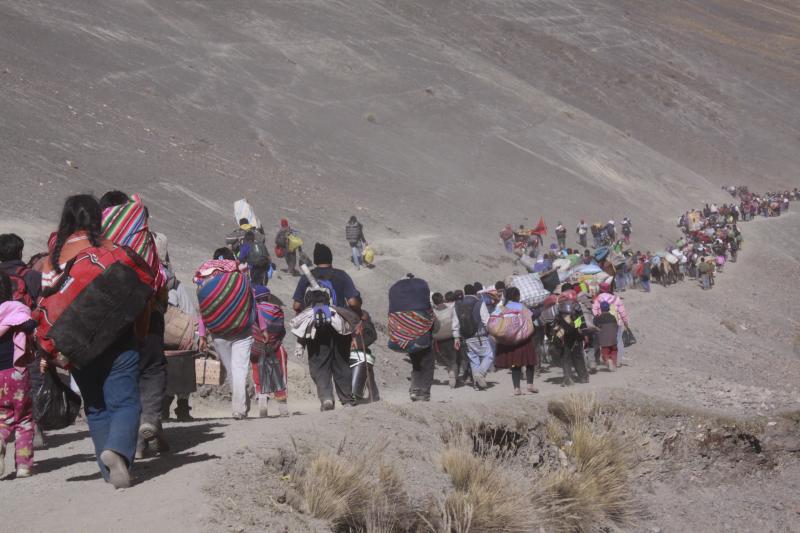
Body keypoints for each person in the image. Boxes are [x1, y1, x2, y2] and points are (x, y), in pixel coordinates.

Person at [39, 195, 144, 489]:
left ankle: (108, 470)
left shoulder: (51, 261)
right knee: (124, 402)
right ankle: (118, 452)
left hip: (76, 348)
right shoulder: (108, 250)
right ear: (98, 219)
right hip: (117, 340)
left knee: (96, 407)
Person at [99, 190, 169, 458]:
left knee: (123, 375)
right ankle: (150, 418)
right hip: (147, 310)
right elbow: (160, 276)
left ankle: (134, 444)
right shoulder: (143, 238)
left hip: (107, 318)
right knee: (151, 368)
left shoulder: (97, 240)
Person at [291, 243, 360, 410]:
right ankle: (347, 399)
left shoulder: (306, 277)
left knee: (319, 363)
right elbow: (352, 301)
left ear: (315, 260)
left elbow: (295, 305)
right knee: (341, 362)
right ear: (331, 259)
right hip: (339, 326)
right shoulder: (341, 275)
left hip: (315, 326)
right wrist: (356, 314)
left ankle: (327, 398)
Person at [196, 248, 255, 419]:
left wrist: (202, 335)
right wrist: (261, 327)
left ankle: (241, 405)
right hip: (242, 331)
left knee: (232, 370)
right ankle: (239, 408)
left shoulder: (207, 280)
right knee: (240, 369)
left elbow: (203, 311)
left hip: (218, 332)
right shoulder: (241, 278)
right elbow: (252, 304)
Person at [0, 233, 46, 449]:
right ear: (20, 251)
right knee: (33, 382)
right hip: (26, 340)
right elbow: (43, 306)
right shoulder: (31, 276)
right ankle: (32, 427)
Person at [0, 272, 36, 478]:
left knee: (2, 417)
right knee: (23, 418)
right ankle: (23, 465)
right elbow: (30, 325)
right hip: (15, 373)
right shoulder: (15, 309)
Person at [250, 285, 289, 417]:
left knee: (257, 369)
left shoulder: (251, 311)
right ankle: (282, 404)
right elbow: (281, 330)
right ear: (268, 297)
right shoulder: (276, 309)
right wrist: (275, 341)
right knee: (279, 372)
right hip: (274, 347)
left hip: (255, 347)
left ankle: (262, 397)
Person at [492, 287, 538, 395]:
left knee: (515, 364)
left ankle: (516, 388)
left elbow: (494, 321)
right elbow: (531, 317)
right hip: (523, 339)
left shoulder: (501, 308)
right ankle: (530, 385)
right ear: (517, 296)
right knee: (530, 361)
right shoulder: (521, 306)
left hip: (509, 341)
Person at [452, 284, 492, 390]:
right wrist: (491, 332)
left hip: (467, 338)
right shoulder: (479, 303)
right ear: (475, 293)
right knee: (489, 355)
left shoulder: (457, 305)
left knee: (474, 361)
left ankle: (476, 385)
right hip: (480, 335)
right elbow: (486, 320)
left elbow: (455, 323)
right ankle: (480, 374)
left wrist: (456, 338)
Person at [349, 294, 379, 402]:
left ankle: (360, 394)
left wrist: (357, 343)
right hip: (350, 350)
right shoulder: (344, 313)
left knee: (364, 363)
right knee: (366, 366)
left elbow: (372, 336)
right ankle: (373, 394)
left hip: (359, 350)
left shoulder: (364, 317)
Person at [591, 282, 630, 365]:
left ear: (600, 289)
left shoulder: (597, 299)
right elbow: (622, 312)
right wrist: (626, 323)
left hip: (602, 323)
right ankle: (617, 360)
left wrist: (598, 319)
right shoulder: (616, 298)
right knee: (618, 340)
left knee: (603, 341)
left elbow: (594, 311)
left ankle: (604, 358)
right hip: (616, 323)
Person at [432, 292, 458, 388]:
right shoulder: (451, 310)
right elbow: (456, 323)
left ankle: (450, 370)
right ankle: (452, 373)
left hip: (438, 339)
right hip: (451, 337)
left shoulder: (433, 312)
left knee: (445, 357)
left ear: (434, 302)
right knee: (453, 358)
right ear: (442, 299)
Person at [594, 302, 619, 371]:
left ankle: (608, 361)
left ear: (601, 309)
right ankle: (613, 364)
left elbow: (596, 329)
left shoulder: (598, 318)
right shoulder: (613, 317)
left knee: (605, 353)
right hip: (613, 339)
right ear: (609, 309)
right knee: (614, 351)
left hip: (604, 341)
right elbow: (616, 327)